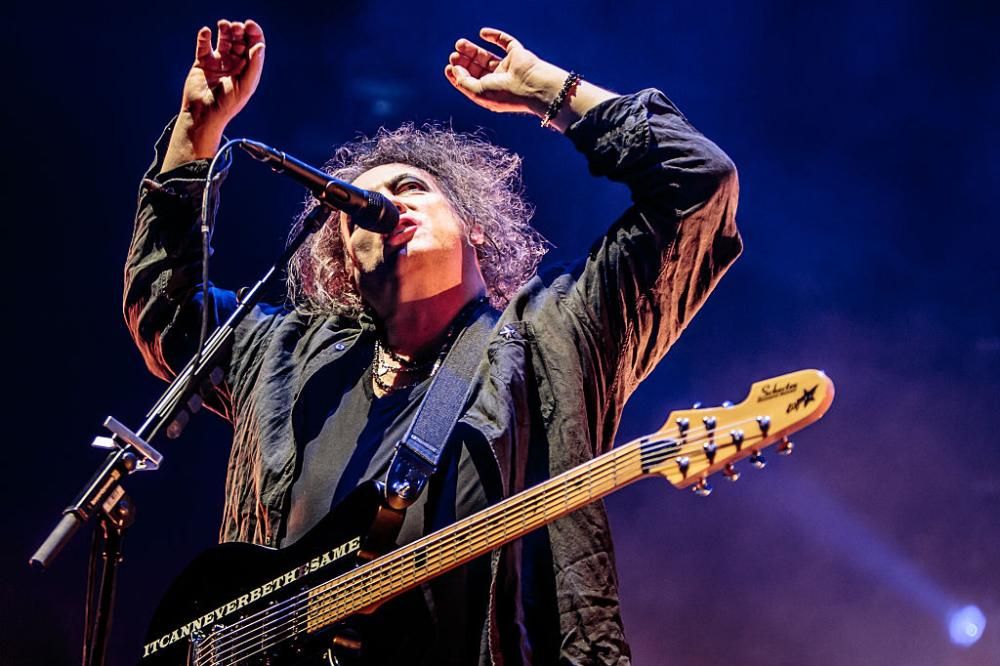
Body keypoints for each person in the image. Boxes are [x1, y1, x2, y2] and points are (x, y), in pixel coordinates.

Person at [125, 17, 742, 665]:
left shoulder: (552, 337)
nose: (385, 206)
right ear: (345, 261)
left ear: (474, 228)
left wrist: (550, 92)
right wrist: (195, 133)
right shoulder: (283, 356)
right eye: (356, 209)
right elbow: (165, 309)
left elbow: (698, 184)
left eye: (410, 188)